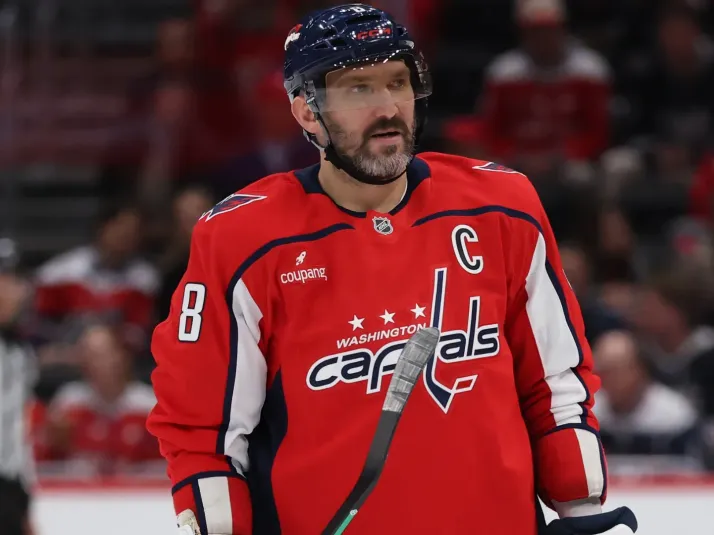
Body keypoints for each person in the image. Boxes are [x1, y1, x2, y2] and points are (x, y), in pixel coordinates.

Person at [147, 4, 637, 535]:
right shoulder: (244, 238)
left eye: (397, 83)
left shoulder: (501, 206)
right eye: (359, 89)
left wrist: (583, 510)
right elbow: (204, 431)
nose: (387, 108)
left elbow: (555, 383)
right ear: (307, 112)